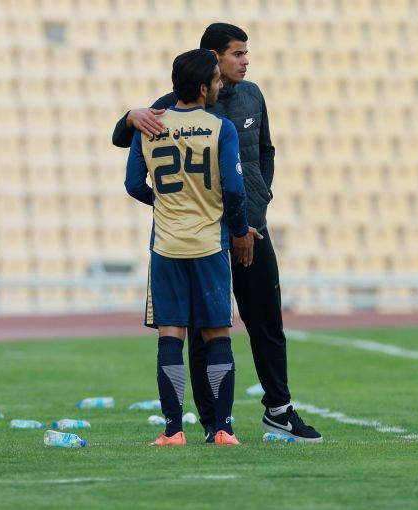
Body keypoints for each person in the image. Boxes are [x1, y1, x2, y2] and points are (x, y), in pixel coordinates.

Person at [114, 23, 322, 443]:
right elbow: (123, 139)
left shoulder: (252, 95)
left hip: (251, 230)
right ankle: (213, 421)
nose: (246, 61)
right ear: (214, 58)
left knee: (266, 320)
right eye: (237, 53)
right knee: (202, 329)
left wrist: (256, 208)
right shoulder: (174, 103)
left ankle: (279, 410)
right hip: (204, 233)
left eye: (246, 53)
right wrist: (129, 117)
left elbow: (265, 152)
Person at [125, 48, 262, 446]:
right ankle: (223, 429)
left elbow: (133, 184)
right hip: (209, 244)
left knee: (170, 336)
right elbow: (234, 189)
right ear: (203, 88)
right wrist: (239, 228)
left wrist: (164, 203)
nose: (220, 86)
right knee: (217, 335)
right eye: (217, 81)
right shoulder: (221, 128)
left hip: (167, 247)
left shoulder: (149, 126)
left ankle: (173, 430)